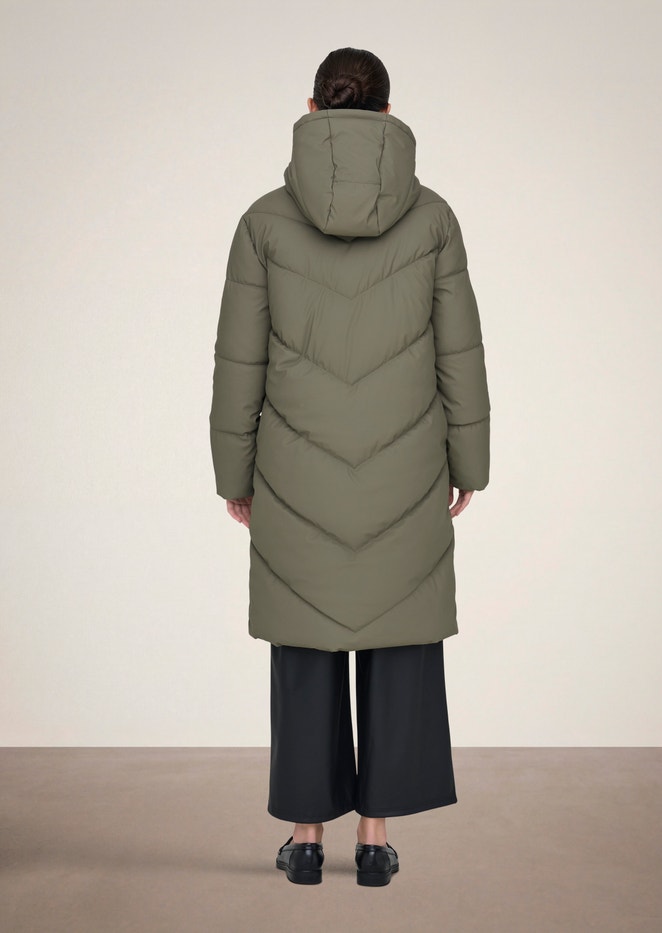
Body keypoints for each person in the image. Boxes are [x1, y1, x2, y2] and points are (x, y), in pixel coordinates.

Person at [209, 47, 491, 886]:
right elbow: (460, 352)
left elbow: (238, 361)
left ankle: (305, 840)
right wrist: (471, 462)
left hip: (294, 473)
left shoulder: (263, 221)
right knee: (398, 640)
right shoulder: (432, 217)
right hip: (407, 468)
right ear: (388, 114)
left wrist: (234, 473)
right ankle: (373, 840)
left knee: (306, 644)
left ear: (312, 109)